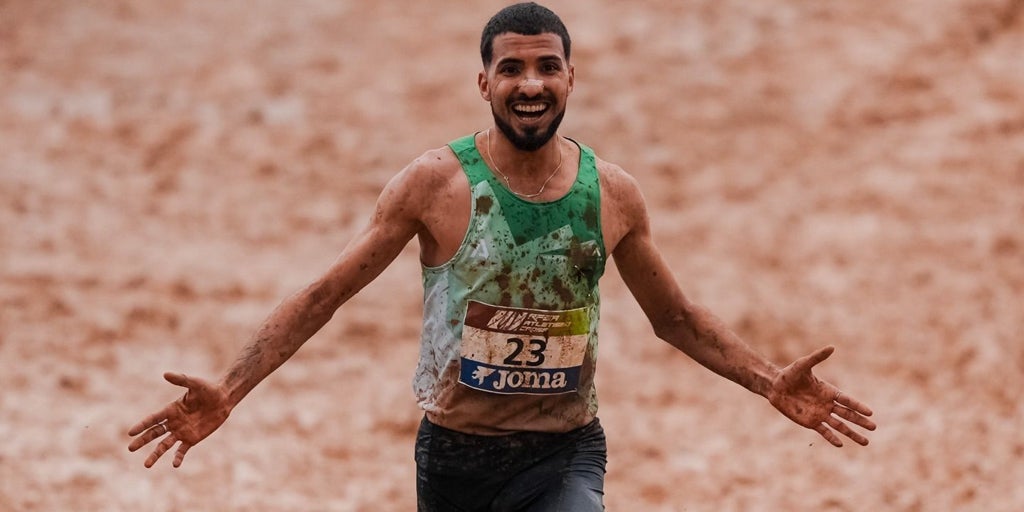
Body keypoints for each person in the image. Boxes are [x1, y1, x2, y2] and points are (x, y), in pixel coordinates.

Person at [128, 3, 876, 510]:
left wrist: (768, 381)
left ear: (571, 78)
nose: (531, 84)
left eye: (547, 67)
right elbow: (326, 295)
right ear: (484, 82)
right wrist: (230, 390)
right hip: (454, 457)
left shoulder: (613, 194)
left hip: (565, 453)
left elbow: (674, 317)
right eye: (512, 69)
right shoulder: (433, 184)